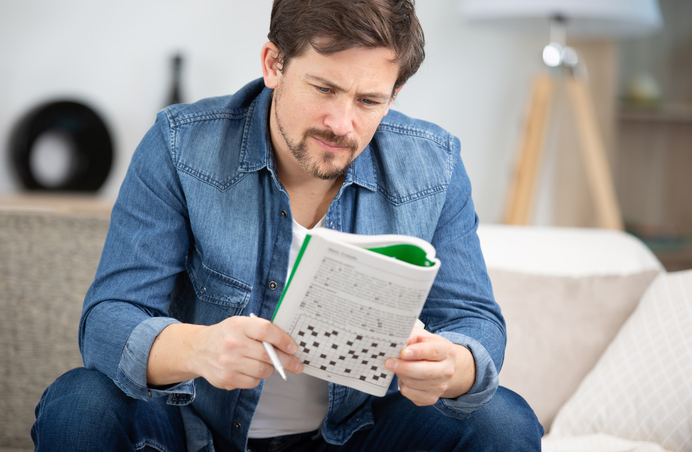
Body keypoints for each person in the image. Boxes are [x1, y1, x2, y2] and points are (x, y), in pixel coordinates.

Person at [32, 0, 543, 450]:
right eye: (324, 88)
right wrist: (198, 348)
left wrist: (454, 366)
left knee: (503, 420)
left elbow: (474, 319)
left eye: (369, 101)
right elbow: (106, 321)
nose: (342, 124)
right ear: (274, 63)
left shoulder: (435, 167)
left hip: (361, 433)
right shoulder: (180, 147)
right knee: (80, 402)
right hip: (196, 433)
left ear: (396, 92)